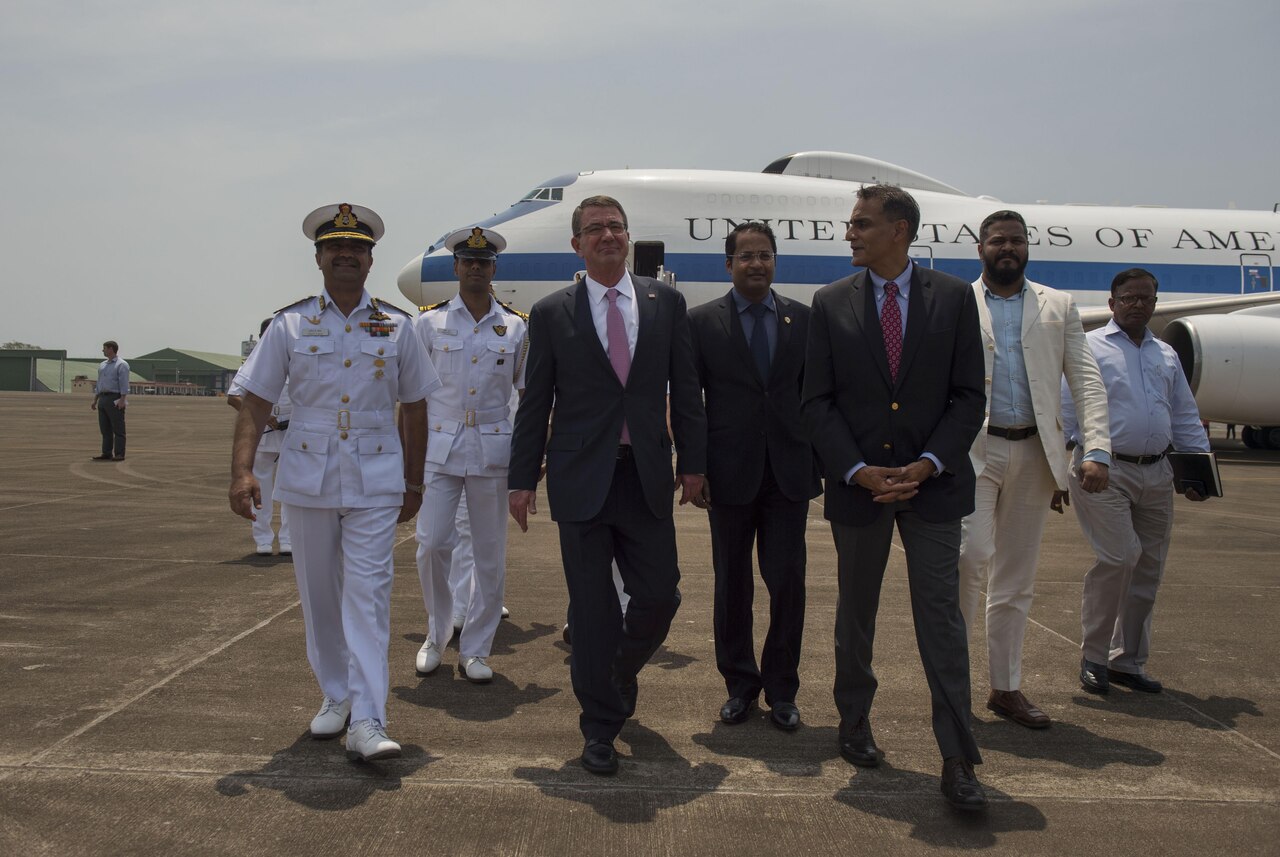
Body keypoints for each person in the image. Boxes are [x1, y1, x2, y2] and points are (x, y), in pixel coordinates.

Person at [228, 202, 440, 762]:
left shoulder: (399, 326)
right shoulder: (290, 324)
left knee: (368, 596)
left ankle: (370, 718)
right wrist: (243, 470)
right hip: (307, 474)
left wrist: (414, 483)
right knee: (319, 595)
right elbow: (255, 400)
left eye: (357, 248)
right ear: (319, 258)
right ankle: (336, 694)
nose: (346, 255)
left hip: (376, 478)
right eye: (335, 248)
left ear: (370, 260)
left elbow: (416, 406)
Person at [802, 184, 988, 810]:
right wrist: (856, 470)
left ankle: (959, 758)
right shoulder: (829, 304)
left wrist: (930, 462)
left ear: (900, 229)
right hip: (861, 490)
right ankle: (853, 718)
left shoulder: (956, 299)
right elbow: (817, 401)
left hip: (933, 488)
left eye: (861, 224)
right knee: (856, 613)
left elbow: (968, 396)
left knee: (941, 619)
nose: (849, 234)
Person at [508, 195, 707, 776]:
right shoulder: (550, 313)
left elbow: (686, 389)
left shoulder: (665, 303)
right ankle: (599, 726)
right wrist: (522, 478)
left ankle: (616, 672)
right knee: (592, 610)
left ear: (627, 236)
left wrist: (693, 463)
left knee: (659, 593)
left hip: (644, 474)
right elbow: (534, 402)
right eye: (594, 229)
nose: (607, 236)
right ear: (577, 244)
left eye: (616, 227)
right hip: (580, 478)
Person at [957, 210, 1111, 729]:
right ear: (980, 248)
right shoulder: (956, 302)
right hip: (972, 454)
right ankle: (953, 685)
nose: (1008, 248)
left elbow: (1086, 381)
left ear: (1027, 247)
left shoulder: (1058, 306)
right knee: (968, 558)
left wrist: (1097, 450)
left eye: (1016, 241)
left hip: (1034, 454)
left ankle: (1006, 688)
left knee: (1016, 579)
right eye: (997, 240)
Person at [688, 222, 820, 732]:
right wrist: (694, 467)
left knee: (788, 584)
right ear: (729, 264)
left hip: (788, 473)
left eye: (765, 255)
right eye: (746, 256)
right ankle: (740, 686)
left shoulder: (802, 321)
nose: (757, 264)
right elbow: (691, 405)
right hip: (728, 475)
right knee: (733, 585)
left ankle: (783, 690)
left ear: (775, 262)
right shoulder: (701, 323)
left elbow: (816, 396)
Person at [1064, 268, 1211, 696]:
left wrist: (1197, 470)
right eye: (1129, 298)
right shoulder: (1089, 347)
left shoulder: (1165, 354)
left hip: (1158, 472)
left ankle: (1128, 661)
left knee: (1149, 567)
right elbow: (1067, 409)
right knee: (1120, 557)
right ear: (1112, 304)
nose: (1138, 305)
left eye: (1146, 299)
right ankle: (1094, 656)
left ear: (1155, 304)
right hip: (1103, 470)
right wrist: (1067, 461)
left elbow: (1184, 414)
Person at [411, 227, 526, 684]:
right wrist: (409, 460)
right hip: (440, 447)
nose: (476, 267)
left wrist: (528, 456)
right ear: (456, 267)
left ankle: (477, 648)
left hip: (494, 449)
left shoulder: (515, 326)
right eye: (468, 260)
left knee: (488, 554)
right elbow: (413, 396)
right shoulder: (429, 323)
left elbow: (528, 394)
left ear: (494, 268)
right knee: (433, 543)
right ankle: (436, 634)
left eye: (484, 261)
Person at [228, 318, 293, 556]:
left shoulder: (295, 361)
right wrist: (264, 417)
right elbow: (234, 396)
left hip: (292, 434)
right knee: (261, 490)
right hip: (266, 434)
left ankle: (288, 539)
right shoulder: (254, 364)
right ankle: (263, 539)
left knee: (290, 489)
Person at [91, 341, 129, 461]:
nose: (103, 351)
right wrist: (95, 399)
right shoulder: (102, 365)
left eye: (105, 348)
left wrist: (122, 399)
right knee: (105, 429)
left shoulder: (121, 365)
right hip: (103, 397)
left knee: (118, 428)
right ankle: (106, 452)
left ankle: (119, 453)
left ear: (111, 349)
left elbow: (124, 383)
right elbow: (99, 383)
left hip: (115, 397)